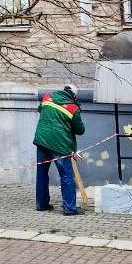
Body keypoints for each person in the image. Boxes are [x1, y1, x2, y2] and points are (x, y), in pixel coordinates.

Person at [33, 83, 85, 216]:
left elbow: (41, 110)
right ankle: (69, 209)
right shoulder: (73, 108)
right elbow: (80, 130)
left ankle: (42, 205)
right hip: (60, 145)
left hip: (42, 141)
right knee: (66, 175)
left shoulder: (47, 97)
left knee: (42, 173)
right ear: (74, 95)